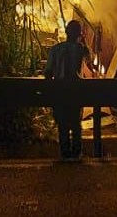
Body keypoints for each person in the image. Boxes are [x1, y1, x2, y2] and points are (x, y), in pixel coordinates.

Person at [44, 20, 91, 160]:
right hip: (75, 92)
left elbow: (48, 73)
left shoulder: (55, 49)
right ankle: (76, 154)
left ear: (66, 32)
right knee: (76, 124)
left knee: (62, 125)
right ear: (79, 34)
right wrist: (83, 41)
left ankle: (65, 154)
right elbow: (90, 59)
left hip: (60, 91)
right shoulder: (80, 49)